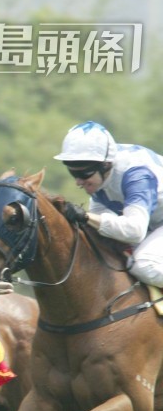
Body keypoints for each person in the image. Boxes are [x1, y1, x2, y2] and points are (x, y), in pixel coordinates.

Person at [54, 120, 163, 287]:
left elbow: (134, 231)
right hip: (152, 223)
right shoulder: (100, 176)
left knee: (144, 265)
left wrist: (86, 216)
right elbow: (101, 225)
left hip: (148, 225)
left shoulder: (137, 175)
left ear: (106, 165)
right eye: (72, 172)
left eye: (84, 174)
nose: (78, 182)